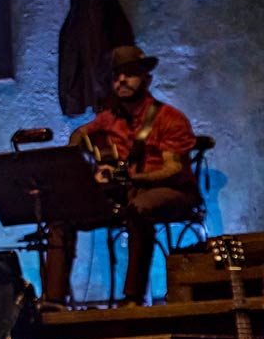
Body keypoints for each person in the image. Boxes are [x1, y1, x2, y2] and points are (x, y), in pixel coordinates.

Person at [40, 44, 199, 306]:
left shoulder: (169, 118)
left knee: (140, 207)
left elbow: (173, 170)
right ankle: (54, 299)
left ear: (146, 79)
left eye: (129, 73)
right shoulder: (108, 118)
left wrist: (130, 177)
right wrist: (90, 166)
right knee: (62, 215)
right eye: (116, 75)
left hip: (172, 192)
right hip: (124, 192)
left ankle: (133, 297)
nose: (121, 80)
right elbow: (79, 135)